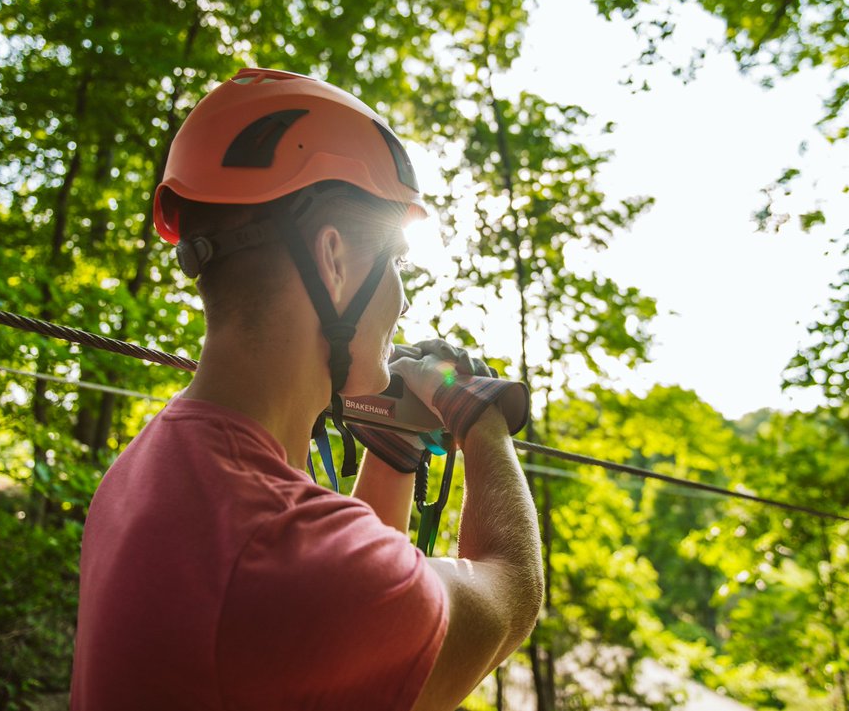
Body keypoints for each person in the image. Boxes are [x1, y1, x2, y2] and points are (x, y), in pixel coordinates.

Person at [70, 67, 544, 710]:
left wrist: (393, 448)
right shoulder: (283, 552)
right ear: (334, 259)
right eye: (395, 261)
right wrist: (478, 417)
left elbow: (356, 607)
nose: (402, 299)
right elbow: (510, 597)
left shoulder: (147, 470)